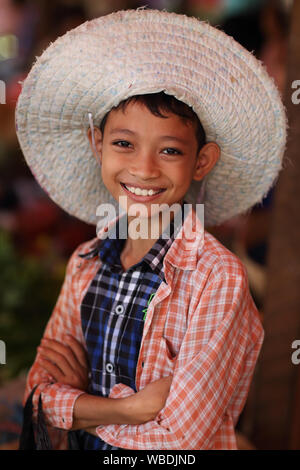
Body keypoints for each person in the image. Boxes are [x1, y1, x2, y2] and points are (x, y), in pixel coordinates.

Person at [15, 8, 287, 450]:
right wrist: (131, 409)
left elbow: (180, 439)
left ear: (201, 161)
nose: (143, 168)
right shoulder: (86, 263)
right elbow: (36, 396)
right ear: (97, 145)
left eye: (170, 151)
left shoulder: (216, 278)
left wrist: (76, 410)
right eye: (124, 143)